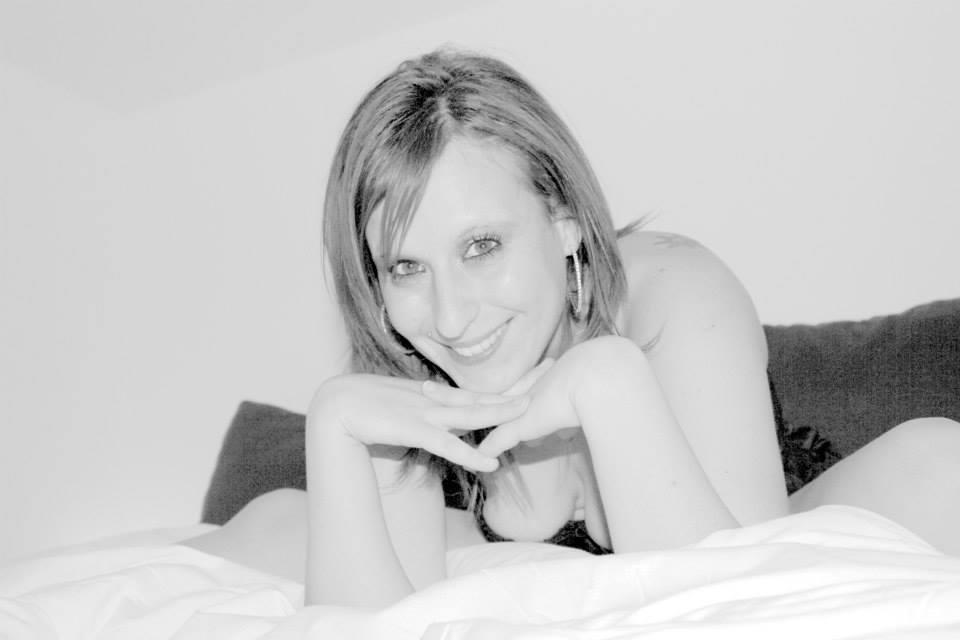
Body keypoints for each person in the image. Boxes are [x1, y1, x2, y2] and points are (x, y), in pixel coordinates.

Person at [184, 48, 960, 608]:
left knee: (938, 464)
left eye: (481, 247)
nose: (450, 318)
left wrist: (608, 383)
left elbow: (735, 596)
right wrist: (332, 426)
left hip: (751, 521)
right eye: (406, 268)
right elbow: (381, 621)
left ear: (562, 219)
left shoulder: (674, 291)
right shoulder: (403, 360)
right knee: (277, 523)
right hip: (518, 553)